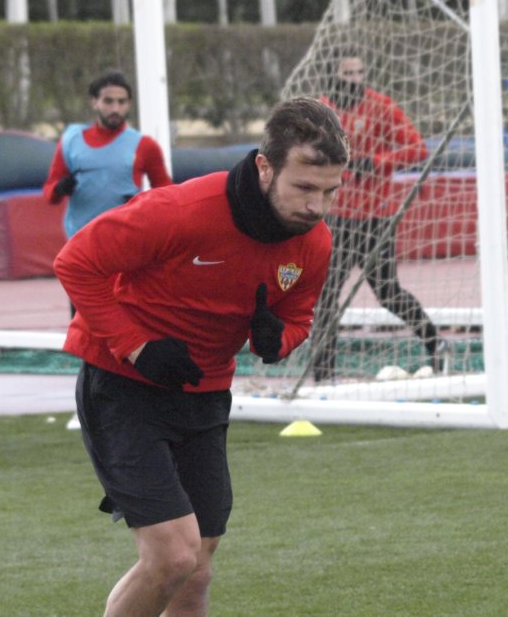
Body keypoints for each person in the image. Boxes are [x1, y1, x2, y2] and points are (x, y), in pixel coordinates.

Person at [54, 97, 347, 616]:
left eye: (329, 191)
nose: (316, 206)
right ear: (264, 166)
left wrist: (274, 338)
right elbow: (76, 262)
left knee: (198, 568)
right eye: (303, 187)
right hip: (122, 386)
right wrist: (139, 347)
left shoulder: (314, 242)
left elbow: (298, 317)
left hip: (206, 396)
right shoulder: (182, 210)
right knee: (172, 556)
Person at [311, 51, 443, 382]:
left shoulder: (381, 106)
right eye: (348, 72)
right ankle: (323, 376)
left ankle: (436, 344)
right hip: (336, 219)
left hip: (374, 219)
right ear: (334, 75)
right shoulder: (319, 112)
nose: (356, 79)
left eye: (359, 72)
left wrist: (378, 161)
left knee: (388, 293)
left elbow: (418, 149)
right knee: (326, 295)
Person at [43, 70, 173, 239]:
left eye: (121, 102)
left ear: (129, 104)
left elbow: (168, 198)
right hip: (80, 241)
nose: (115, 109)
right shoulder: (71, 140)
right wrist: (60, 188)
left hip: (126, 239)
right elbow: (49, 194)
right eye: (108, 101)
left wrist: (143, 203)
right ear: (94, 102)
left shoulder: (145, 145)